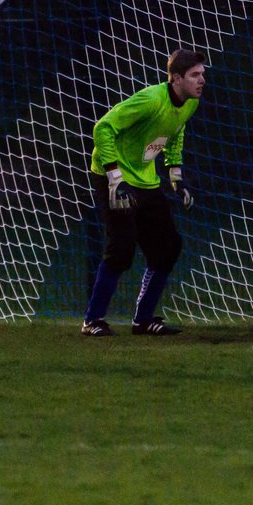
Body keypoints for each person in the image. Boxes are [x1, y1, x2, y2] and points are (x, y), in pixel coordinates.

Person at [81, 48, 205, 336]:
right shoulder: (150, 100)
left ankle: (143, 320)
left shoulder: (189, 103)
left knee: (168, 247)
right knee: (121, 249)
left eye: (202, 74)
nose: (201, 80)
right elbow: (103, 128)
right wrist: (115, 177)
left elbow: (175, 131)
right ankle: (92, 321)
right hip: (114, 177)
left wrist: (176, 176)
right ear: (175, 78)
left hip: (145, 180)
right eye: (194, 75)